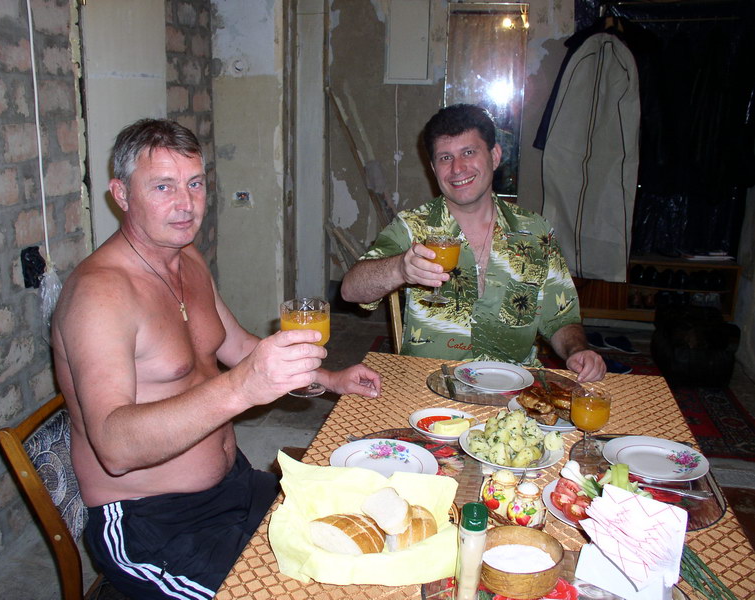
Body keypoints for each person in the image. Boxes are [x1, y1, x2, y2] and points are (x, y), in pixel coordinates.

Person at [51, 118, 382, 599]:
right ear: (121, 194)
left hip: (235, 485)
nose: (185, 204)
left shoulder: (187, 259)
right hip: (155, 527)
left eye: (195, 184)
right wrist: (242, 387)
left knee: (361, 535)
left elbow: (238, 346)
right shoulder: (99, 295)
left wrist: (330, 379)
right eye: (162, 186)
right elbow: (114, 448)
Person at [341, 104, 605, 382]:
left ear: (494, 156)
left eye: (468, 152)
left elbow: (561, 318)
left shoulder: (535, 231)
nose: (457, 168)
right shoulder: (412, 227)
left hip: (516, 385)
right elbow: (350, 290)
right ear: (433, 168)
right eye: (445, 157)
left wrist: (578, 351)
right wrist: (400, 269)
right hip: (430, 383)